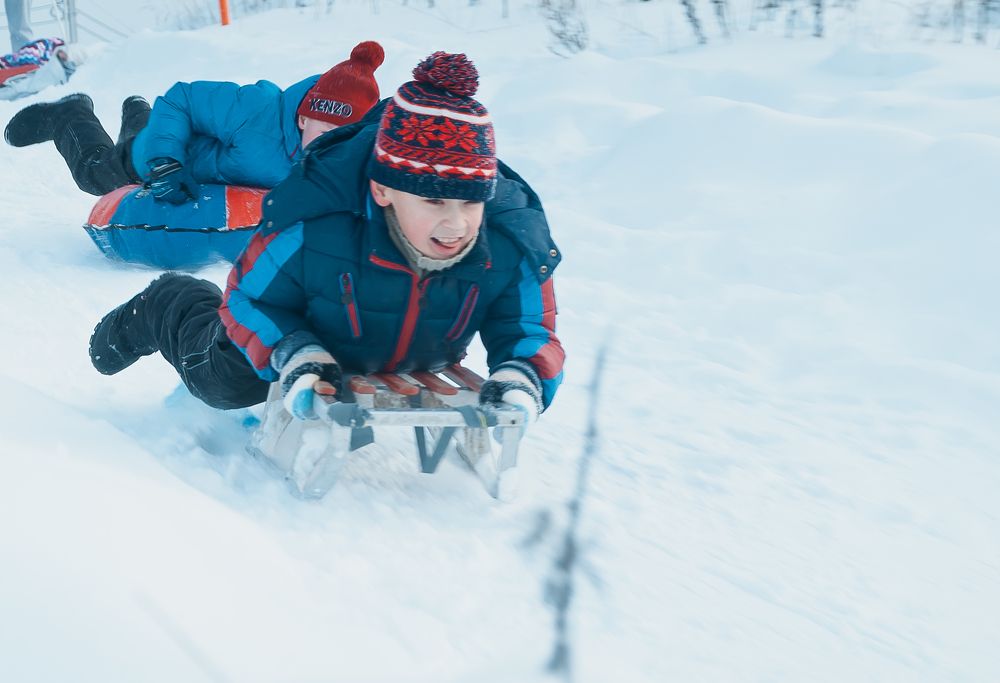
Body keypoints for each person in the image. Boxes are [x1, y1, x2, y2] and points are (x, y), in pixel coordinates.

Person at [87, 51, 564, 428]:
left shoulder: (506, 241)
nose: (456, 224)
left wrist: (523, 374)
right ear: (384, 191)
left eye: (471, 202)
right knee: (222, 385)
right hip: (295, 333)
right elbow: (250, 298)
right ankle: (164, 304)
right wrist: (294, 348)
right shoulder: (316, 219)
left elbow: (528, 328)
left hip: (406, 347)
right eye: (434, 201)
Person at [4, 40, 384, 201]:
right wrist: (165, 162)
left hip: (186, 152)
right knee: (95, 175)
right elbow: (182, 98)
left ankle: (137, 112)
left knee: (149, 130)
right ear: (303, 119)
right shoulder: (257, 110)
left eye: (343, 138)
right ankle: (70, 114)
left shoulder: (339, 161)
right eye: (325, 131)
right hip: (164, 162)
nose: (329, 145)